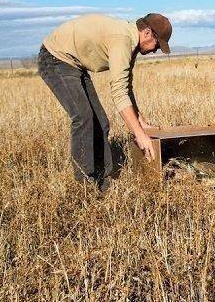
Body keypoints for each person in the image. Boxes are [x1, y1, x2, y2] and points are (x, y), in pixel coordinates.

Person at [37, 13, 171, 191]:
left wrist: (141, 122)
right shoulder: (122, 40)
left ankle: (104, 180)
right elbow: (119, 92)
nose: (156, 50)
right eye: (157, 44)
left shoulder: (130, 43)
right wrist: (139, 135)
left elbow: (126, 86)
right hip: (55, 59)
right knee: (83, 117)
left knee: (101, 121)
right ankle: (84, 185)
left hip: (74, 64)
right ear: (147, 33)